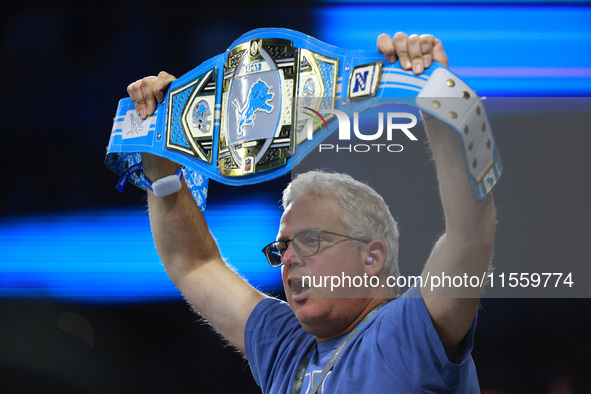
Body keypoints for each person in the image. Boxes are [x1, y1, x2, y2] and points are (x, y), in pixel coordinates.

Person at [126, 32, 496, 392]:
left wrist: (440, 95)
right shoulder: (286, 346)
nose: (288, 259)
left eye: (309, 240)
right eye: (282, 247)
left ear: (372, 257)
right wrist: (161, 164)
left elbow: (470, 234)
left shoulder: (409, 332)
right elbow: (193, 263)